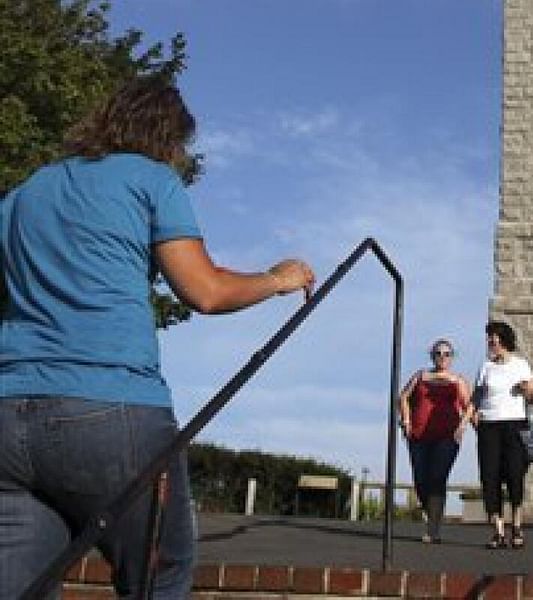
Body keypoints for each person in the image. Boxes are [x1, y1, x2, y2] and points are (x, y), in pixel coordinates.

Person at [0, 75, 315, 599]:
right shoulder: (151, 180)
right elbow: (206, 291)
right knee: (160, 573)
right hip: (110, 406)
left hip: (8, 414)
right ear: (169, 138)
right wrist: (278, 280)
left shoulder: (26, 191)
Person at [472, 321, 533, 549]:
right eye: (489, 338)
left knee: (514, 474)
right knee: (489, 477)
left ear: (504, 340)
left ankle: (517, 525)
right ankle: (498, 530)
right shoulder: (485, 366)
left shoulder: (520, 364)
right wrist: (471, 415)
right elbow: (477, 395)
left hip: (514, 425)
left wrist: (524, 388)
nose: (491, 342)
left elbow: (532, 394)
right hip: (489, 425)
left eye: (495, 338)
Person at [399, 339, 472, 543]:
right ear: (432, 355)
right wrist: (406, 419)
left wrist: (464, 424)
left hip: (447, 437)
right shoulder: (421, 375)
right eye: (438, 353)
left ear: (452, 357)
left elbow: (470, 405)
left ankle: (433, 530)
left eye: (447, 353)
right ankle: (431, 513)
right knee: (421, 479)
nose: (442, 357)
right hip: (418, 435)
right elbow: (403, 397)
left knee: (437, 477)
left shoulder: (458, 380)